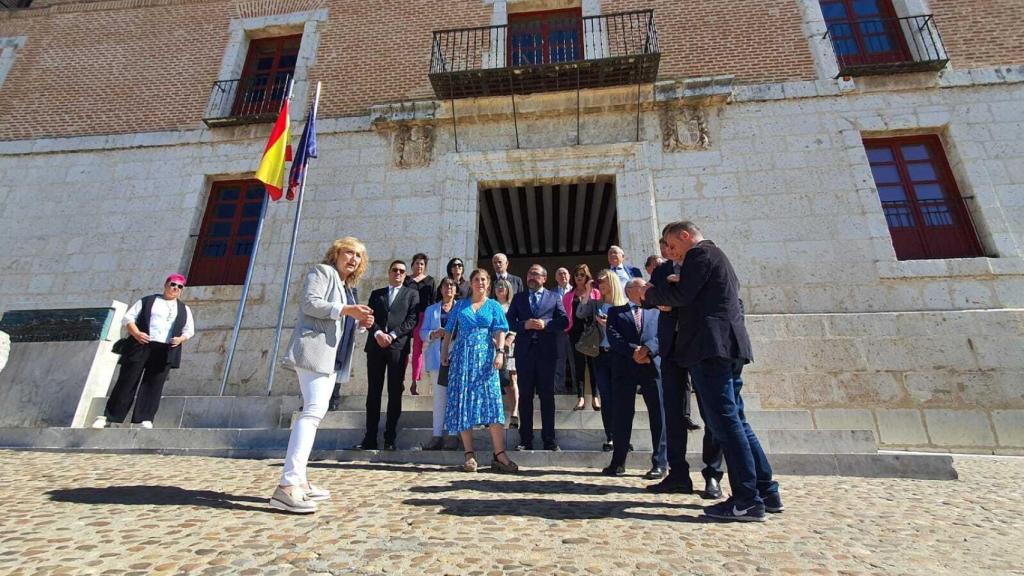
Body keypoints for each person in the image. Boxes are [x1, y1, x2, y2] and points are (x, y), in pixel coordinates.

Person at [641, 221, 782, 522]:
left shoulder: (700, 255)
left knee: (725, 424)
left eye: (672, 245)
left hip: (709, 348)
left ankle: (746, 500)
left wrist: (651, 295)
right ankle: (767, 490)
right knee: (737, 422)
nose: (671, 252)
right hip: (728, 347)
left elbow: (682, 297)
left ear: (685, 236)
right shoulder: (716, 257)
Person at [271, 237, 374, 513]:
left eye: (358, 256)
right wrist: (345, 310)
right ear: (336, 253)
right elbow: (309, 303)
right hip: (314, 351)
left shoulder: (347, 287)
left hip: (331, 358)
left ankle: (301, 481)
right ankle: (287, 485)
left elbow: (343, 322)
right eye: (349, 253)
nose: (353, 259)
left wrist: (360, 322)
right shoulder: (323, 272)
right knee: (312, 413)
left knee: (315, 415)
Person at [649, 238, 723, 498]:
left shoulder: (700, 264)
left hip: (701, 348)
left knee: (711, 413)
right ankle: (677, 474)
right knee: (673, 413)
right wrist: (661, 298)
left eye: (671, 247)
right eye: (664, 249)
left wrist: (674, 297)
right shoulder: (661, 270)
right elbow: (649, 296)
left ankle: (713, 475)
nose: (669, 253)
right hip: (671, 350)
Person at [440, 268, 519, 473]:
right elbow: (449, 330)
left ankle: (499, 454)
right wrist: (444, 352)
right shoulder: (461, 305)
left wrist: (500, 353)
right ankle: (469, 455)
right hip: (462, 358)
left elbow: (500, 329)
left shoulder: (493, 306)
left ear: (489, 283)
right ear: (471, 283)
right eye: (476, 279)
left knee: (492, 402)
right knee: (464, 402)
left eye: (484, 279)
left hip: (486, 358)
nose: (480, 283)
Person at [92, 274, 196, 430]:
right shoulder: (148, 301)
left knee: (154, 384)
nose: (175, 288)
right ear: (166, 284)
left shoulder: (184, 309)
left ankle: (144, 418)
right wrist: (136, 333)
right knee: (127, 380)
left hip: (164, 348)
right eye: (173, 284)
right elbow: (128, 319)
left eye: (179, 287)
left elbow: (189, 331)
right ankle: (110, 416)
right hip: (141, 344)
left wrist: (180, 339)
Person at [603, 278, 666, 480]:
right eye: (644, 287)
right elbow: (614, 337)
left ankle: (660, 462)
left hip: (651, 366)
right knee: (622, 416)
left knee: (658, 415)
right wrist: (634, 352)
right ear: (631, 291)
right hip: (624, 369)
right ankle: (618, 462)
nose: (648, 289)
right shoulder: (615, 312)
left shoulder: (656, 311)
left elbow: (661, 335)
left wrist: (648, 351)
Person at [355, 260, 420, 451]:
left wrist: (391, 336)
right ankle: (370, 438)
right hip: (375, 347)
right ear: (389, 273)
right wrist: (377, 333)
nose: (398, 273)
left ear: (405, 275)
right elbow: (368, 318)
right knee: (373, 393)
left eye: (402, 271)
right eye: (395, 270)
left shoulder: (412, 294)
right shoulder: (377, 294)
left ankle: (390, 438)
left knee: (394, 393)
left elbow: (412, 320)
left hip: (397, 348)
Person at [506, 264, 568, 451]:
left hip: (547, 354)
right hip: (525, 354)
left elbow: (564, 321)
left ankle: (549, 439)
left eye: (535, 274)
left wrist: (545, 324)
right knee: (525, 397)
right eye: (529, 274)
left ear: (544, 277)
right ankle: (526, 439)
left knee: (547, 397)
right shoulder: (519, 298)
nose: (531, 277)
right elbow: (508, 322)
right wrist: (525, 325)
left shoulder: (555, 297)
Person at [576, 270, 626, 451]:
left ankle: (623, 437)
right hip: (601, 355)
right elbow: (580, 313)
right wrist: (588, 291)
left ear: (612, 283)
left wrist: (609, 324)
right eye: (598, 283)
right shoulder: (597, 304)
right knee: (606, 397)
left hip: (620, 355)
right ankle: (611, 437)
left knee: (621, 398)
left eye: (603, 283)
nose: (601, 286)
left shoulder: (624, 305)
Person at [419, 277, 460, 451]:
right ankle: (437, 435)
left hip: (457, 358)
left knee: (455, 397)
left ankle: (453, 435)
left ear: (456, 289)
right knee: (439, 398)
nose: (448, 288)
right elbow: (422, 333)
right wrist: (434, 334)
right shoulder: (431, 310)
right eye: (445, 285)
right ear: (441, 289)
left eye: (451, 285)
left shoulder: (462, 308)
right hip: (437, 359)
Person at [564, 264, 601, 411]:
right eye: (577, 275)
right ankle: (580, 397)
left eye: (582, 275)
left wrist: (589, 291)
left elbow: (599, 310)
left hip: (592, 332)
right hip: (575, 333)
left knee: (593, 365)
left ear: (587, 277)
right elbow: (566, 315)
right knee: (578, 365)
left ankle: (595, 397)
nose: (579, 277)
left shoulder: (596, 293)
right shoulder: (568, 295)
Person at [405, 253, 436, 396]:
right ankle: (400, 379)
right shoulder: (406, 280)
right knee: (404, 349)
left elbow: (433, 300)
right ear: (412, 265)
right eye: (417, 263)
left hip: (422, 316)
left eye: (422, 264)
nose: (419, 266)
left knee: (417, 350)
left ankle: (414, 382)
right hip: (406, 316)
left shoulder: (430, 281)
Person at [493, 279, 521, 430]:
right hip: (491, 347)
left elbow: (516, 325)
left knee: (512, 380)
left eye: (503, 286)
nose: (500, 288)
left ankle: (514, 413)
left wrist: (509, 340)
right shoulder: (490, 305)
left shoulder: (512, 306)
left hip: (509, 347)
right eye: (497, 286)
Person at [552, 266, 573, 393]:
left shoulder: (576, 291)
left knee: (575, 362)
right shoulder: (551, 293)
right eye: (559, 274)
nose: (563, 276)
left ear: (569, 276)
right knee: (559, 362)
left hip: (574, 332)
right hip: (558, 333)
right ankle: (559, 391)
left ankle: (577, 391)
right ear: (555, 278)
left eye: (565, 273)